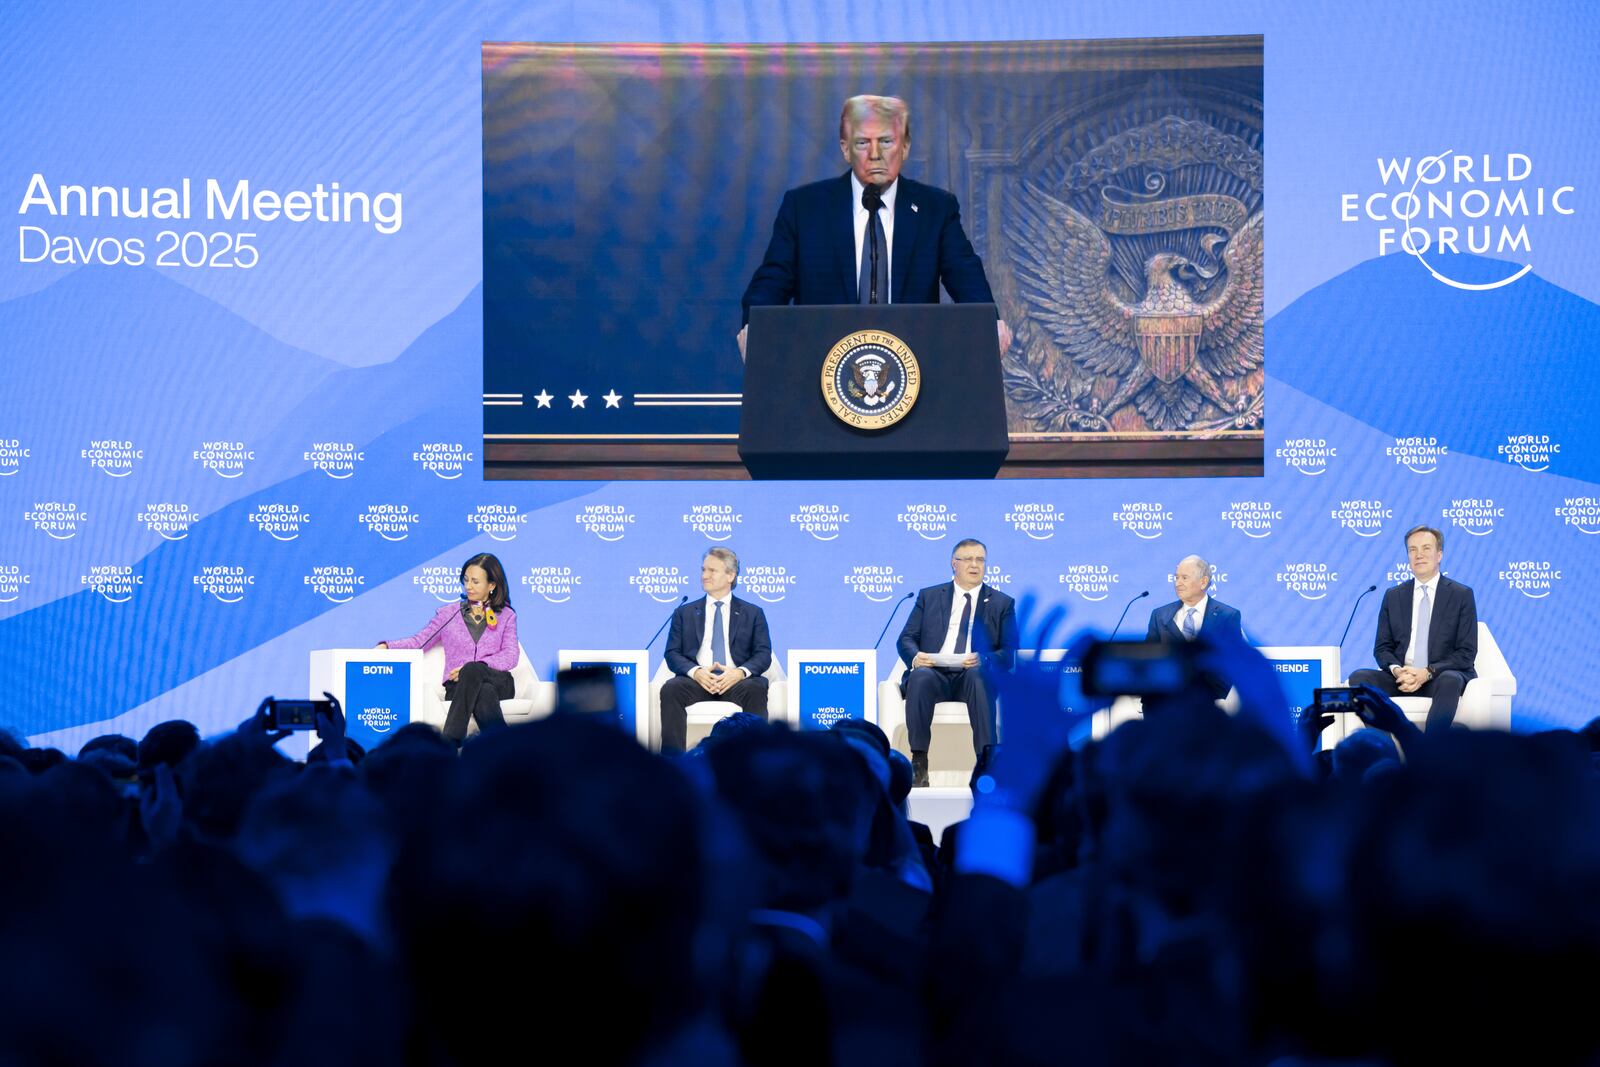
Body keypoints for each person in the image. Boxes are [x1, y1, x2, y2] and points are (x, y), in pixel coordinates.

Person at [737, 94, 1012, 358]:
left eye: (886, 141)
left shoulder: (935, 209)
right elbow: (772, 282)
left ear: (905, 147)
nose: (875, 154)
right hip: (820, 365)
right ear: (845, 149)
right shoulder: (805, 208)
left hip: (913, 367)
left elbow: (966, 277)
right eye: (862, 143)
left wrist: (990, 320)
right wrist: (755, 326)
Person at [896, 538, 1017, 786]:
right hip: (934, 673)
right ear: (954, 564)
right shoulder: (929, 596)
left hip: (974, 675)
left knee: (978, 675)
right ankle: (919, 762)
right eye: (969, 559)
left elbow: (1008, 652)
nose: (975, 565)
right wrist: (917, 658)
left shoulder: (1002, 603)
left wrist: (984, 659)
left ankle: (987, 763)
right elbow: (906, 639)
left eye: (980, 560)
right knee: (920, 676)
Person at [379, 552, 519, 745]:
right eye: (466, 580)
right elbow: (420, 641)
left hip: (499, 681)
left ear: (492, 585)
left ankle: (448, 745)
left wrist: (477, 666)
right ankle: (507, 749)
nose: (468, 586)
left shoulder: (506, 615)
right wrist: (388, 646)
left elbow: (511, 655)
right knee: (483, 691)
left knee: (473, 670)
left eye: (475, 582)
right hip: (458, 687)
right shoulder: (449, 614)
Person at [1349, 525, 1477, 733]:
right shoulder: (1394, 595)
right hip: (1402, 678)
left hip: (1438, 677)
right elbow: (1382, 648)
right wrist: (1398, 671)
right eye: (1412, 550)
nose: (1419, 555)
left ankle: (1428, 753)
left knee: (1451, 680)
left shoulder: (1461, 594)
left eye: (1426, 548)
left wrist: (1426, 672)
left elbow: (1466, 653)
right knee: (1359, 677)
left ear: (1439, 555)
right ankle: (1385, 751)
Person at [659, 547, 773, 755]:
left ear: (731, 575)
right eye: (703, 570)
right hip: (697, 681)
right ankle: (672, 763)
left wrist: (739, 673)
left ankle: (756, 760)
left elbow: (763, 654)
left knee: (756, 688)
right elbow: (672, 653)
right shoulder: (684, 612)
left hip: (737, 682)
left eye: (712, 571)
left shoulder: (753, 613)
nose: (704, 576)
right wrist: (696, 672)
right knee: (671, 689)